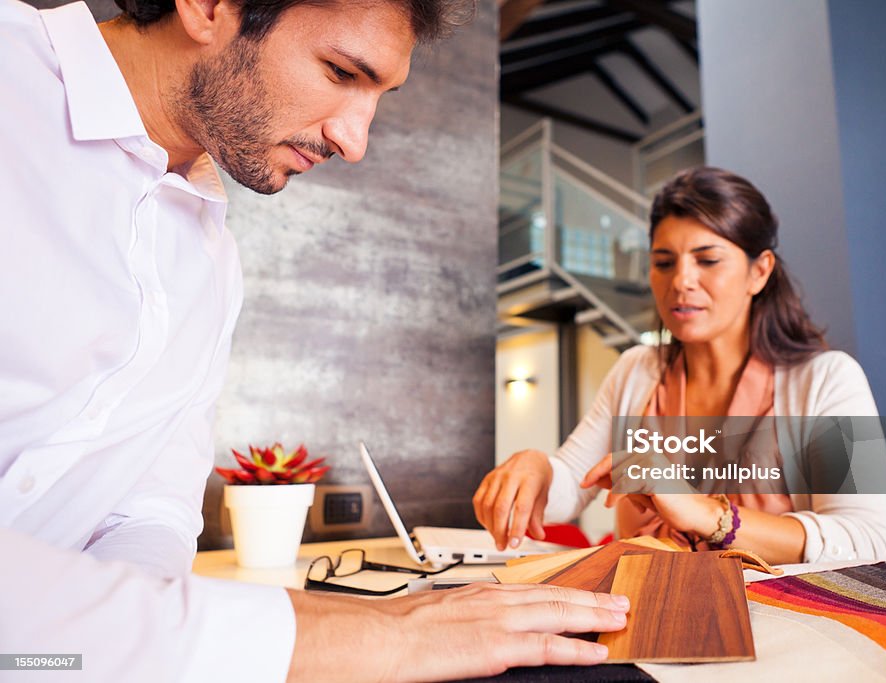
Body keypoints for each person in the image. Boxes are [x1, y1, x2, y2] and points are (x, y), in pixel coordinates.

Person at [0, 1, 630, 681]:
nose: (356, 140)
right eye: (340, 71)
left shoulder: (210, 264)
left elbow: (146, 512)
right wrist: (374, 638)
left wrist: (98, 655)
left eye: (379, 94)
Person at [474, 167, 886, 567]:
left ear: (760, 271)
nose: (681, 281)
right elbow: (574, 482)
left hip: (778, 621)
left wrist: (704, 512)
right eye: (664, 263)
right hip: (645, 613)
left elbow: (871, 541)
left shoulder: (825, 379)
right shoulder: (635, 370)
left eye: (708, 260)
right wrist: (539, 470)